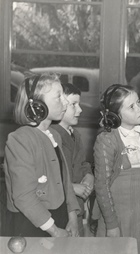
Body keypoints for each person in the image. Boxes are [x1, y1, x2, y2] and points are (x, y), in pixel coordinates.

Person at [3, 73, 80, 237]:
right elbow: (23, 196)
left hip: (58, 215)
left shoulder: (54, 135)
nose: (65, 102)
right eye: (59, 97)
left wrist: (72, 215)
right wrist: (54, 230)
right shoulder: (20, 139)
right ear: (37, 106)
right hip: (32, 223)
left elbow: (65, 182)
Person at [93, 84, 140, 254]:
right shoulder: (107, 140)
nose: (139, 109)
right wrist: (111, 224)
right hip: (119, 213)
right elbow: (102, 186)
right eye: (131, 106)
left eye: (138, 103)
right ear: (115, 115)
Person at [51, 83, 94, 237]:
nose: (80, 110)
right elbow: (50, 175)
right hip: (62, 210)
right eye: (74, 105)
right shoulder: (52, 136)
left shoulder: (75, 134)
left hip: (78, 207)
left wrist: (89, 175)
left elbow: (82, 163)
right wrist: (72, 187)